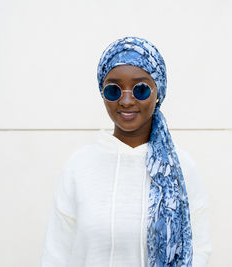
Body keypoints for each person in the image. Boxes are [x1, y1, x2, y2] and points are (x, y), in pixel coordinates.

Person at [41, 37, 212, 267]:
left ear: (158, 92)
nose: (127, 100)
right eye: (114, 90)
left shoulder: (181, 167)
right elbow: (56, 254)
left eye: (140, 89)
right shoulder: (79, 166)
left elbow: (199, 250)